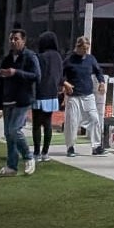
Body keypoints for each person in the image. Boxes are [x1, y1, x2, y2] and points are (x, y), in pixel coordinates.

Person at [0, 28, 40, 176]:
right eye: (11, 39)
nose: (13, 42)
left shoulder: (30, 56)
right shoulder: (8, 57)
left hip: (22, 99)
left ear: (23, 40)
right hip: (8, 99)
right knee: (8, 135)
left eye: (16, 39)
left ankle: (29, 157)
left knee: (14, 130)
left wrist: (16, 73)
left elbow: (36, 76)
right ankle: (11, 167)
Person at [60, 35, 108, 156]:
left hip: (88, 95)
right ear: (78, 47)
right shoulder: (69, 60)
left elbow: (98, 71)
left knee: (94, 118)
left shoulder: (90, 59)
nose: (85, 52)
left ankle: (96, 146)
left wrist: (101, 82)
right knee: (72, 122)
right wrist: (65, 84)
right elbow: (59, 75)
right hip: (74, 96)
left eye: (87, 49)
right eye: (83, 49)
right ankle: (70, 146)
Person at [32, 31, 64, 163]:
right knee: (47, 123)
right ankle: (45, 152)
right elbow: (60, 75)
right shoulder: (58, 56)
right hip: (52, 94)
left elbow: (36, 74)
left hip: (40, 93)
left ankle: (36, 153)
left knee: (36, 124)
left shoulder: (40, 56)